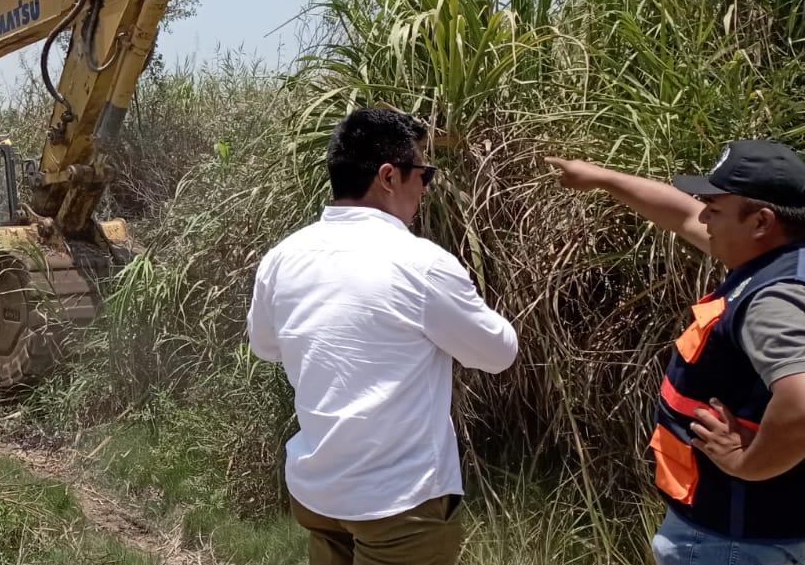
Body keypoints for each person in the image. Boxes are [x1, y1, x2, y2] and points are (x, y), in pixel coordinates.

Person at [247, 108, 519, 565]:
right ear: (389, 177)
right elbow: (498, 353)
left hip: (319, 494)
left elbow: (265, 345)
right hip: (399, 505)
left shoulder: (282, 257)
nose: (426, 187)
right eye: (424, 173)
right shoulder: (420, 264)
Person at [545, 140, 805, 564]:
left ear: (761, 221)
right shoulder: (781, 258)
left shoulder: (772, 298)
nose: (703, 217)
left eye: (715, 210)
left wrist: (749, 463)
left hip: (733, 541)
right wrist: (602, 178)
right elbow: (682, 214)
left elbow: (801, 402)